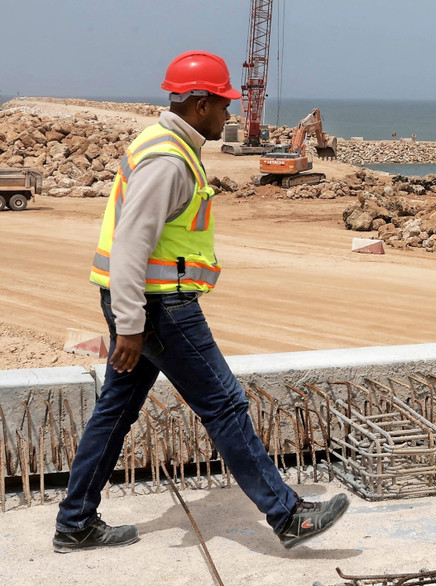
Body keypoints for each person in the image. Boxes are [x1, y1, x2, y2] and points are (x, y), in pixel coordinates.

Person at [54, 51, 349, 552]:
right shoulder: (168, 161)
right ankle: (287, 515)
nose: (229, 114)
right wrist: (131, 325)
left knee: (115, 410)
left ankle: (75, 522)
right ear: (200, 104)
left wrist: (128, 318)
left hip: (143, 305)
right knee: (225, 403)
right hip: (160, 308)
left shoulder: (162, 142)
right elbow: (130, 245)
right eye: (224, 104)